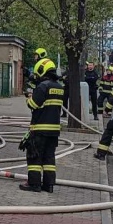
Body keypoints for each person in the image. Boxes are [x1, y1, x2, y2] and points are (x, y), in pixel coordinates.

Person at [20, 59, 64, 193]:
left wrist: (29, 97)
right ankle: (48, 185)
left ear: (41, 70)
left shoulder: (43, 86)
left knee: (34, 156)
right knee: (49, 158)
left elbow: (33, 105)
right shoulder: (59, 87)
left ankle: (34, 184)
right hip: (54, 130)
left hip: (40, 128)